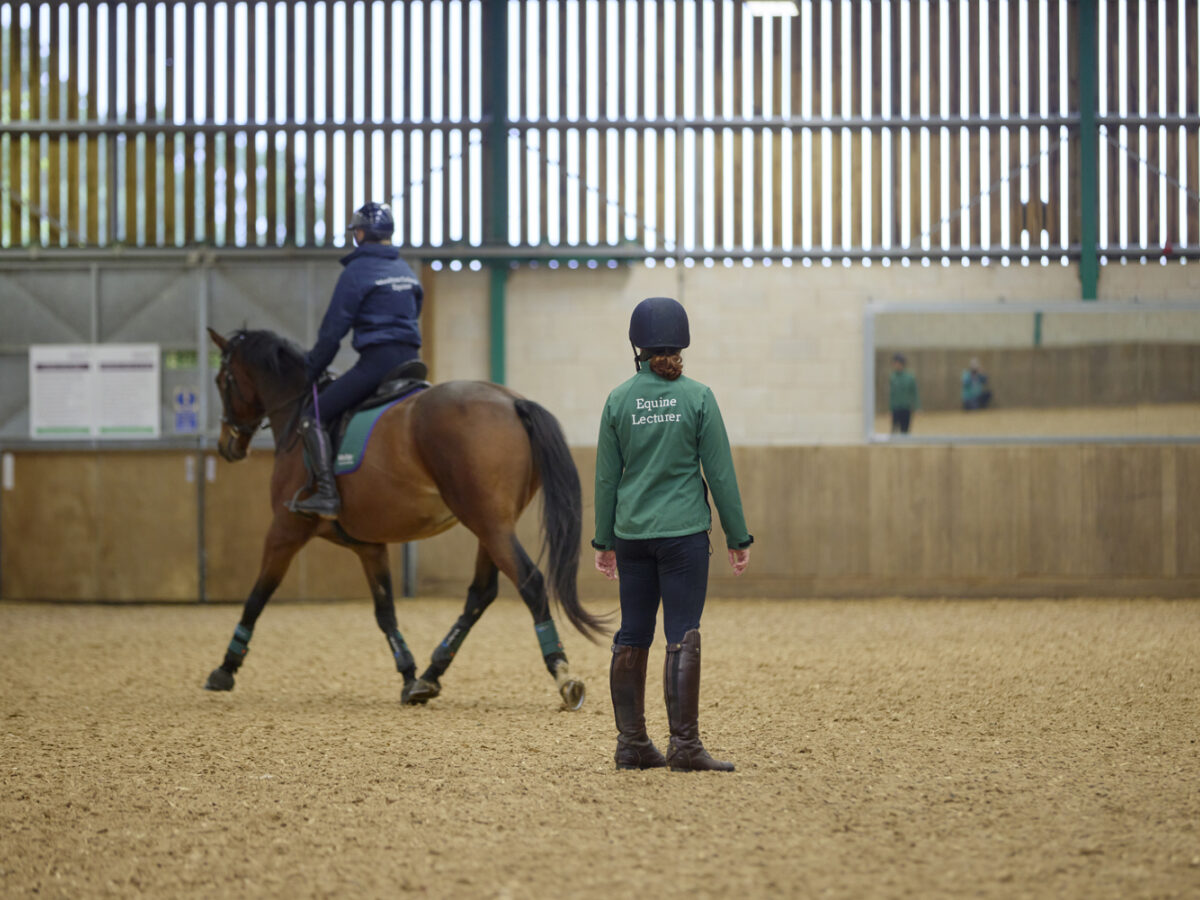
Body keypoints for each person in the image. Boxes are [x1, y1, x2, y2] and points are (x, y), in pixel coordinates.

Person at [592, 297, 753, 774]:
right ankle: (684, 746)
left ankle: (632, 744)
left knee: (632, 633)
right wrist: (737, 535)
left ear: (637, 345)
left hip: (632, 535)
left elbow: (606, 478)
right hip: (683, 534)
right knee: (681, 632)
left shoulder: (618, 400)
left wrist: (603, 541)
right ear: (682, 342)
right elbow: (720, 473)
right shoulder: (698, 397)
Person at [293, 202, 424, 519]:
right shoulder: (405, 270)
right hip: (413, 362)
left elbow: (332, 332)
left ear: (360, 234)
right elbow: (415, 309)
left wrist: (312, 370)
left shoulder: (357, 272)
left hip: (378, 364)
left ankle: (327, 496)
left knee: (313, 416)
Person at [888, 353, 919, 434]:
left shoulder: (909, 377)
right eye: (895, 363)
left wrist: (916, 407)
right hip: (896, 408)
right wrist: (890, 408)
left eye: (898, 363)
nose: (896, 365)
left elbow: (914, 393)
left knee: (905, 430)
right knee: (894, 430)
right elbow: (891, 394)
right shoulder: (893, 377)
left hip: (906, 408)